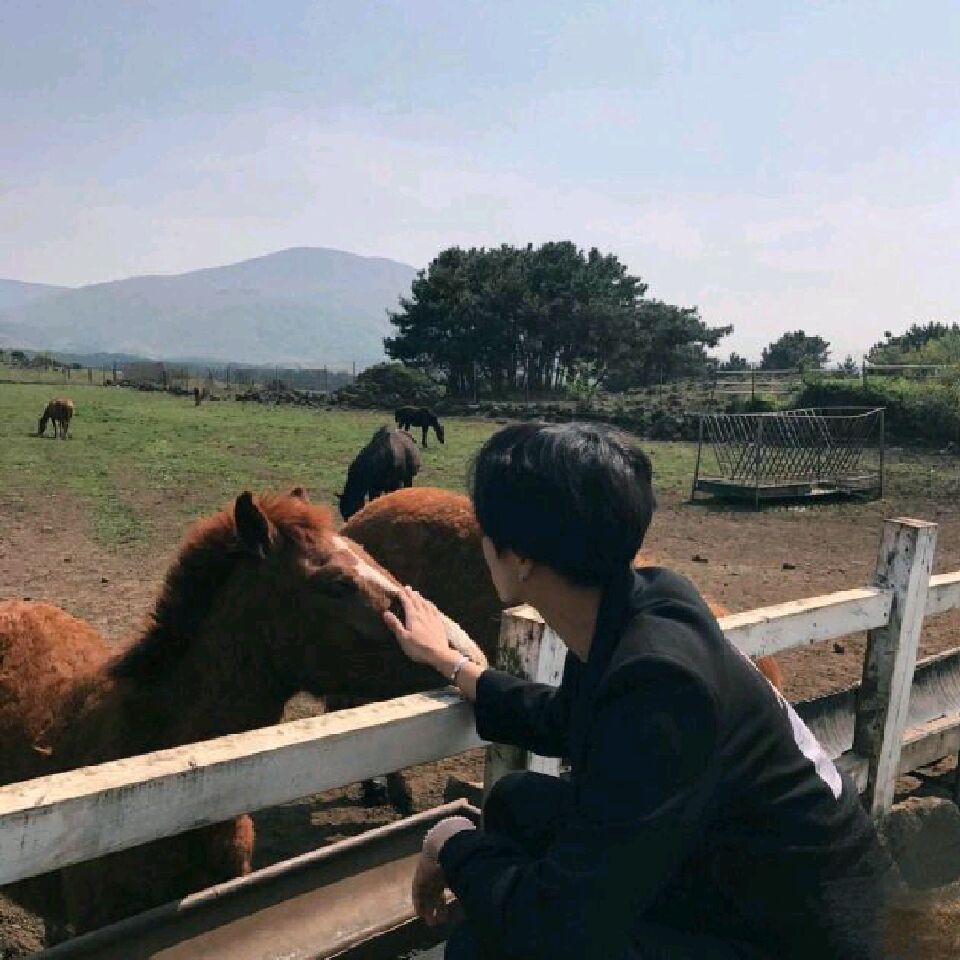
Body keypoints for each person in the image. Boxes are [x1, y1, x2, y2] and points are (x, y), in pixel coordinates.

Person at [383, 422, 894, 960]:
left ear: (521, 557)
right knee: (517, 802)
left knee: (484, 945)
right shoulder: (642, 606)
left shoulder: (661, 686)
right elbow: (567, 717)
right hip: (747, 871)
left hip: (797, 936)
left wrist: (451, 843)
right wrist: (453, 664)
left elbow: (561, 926)